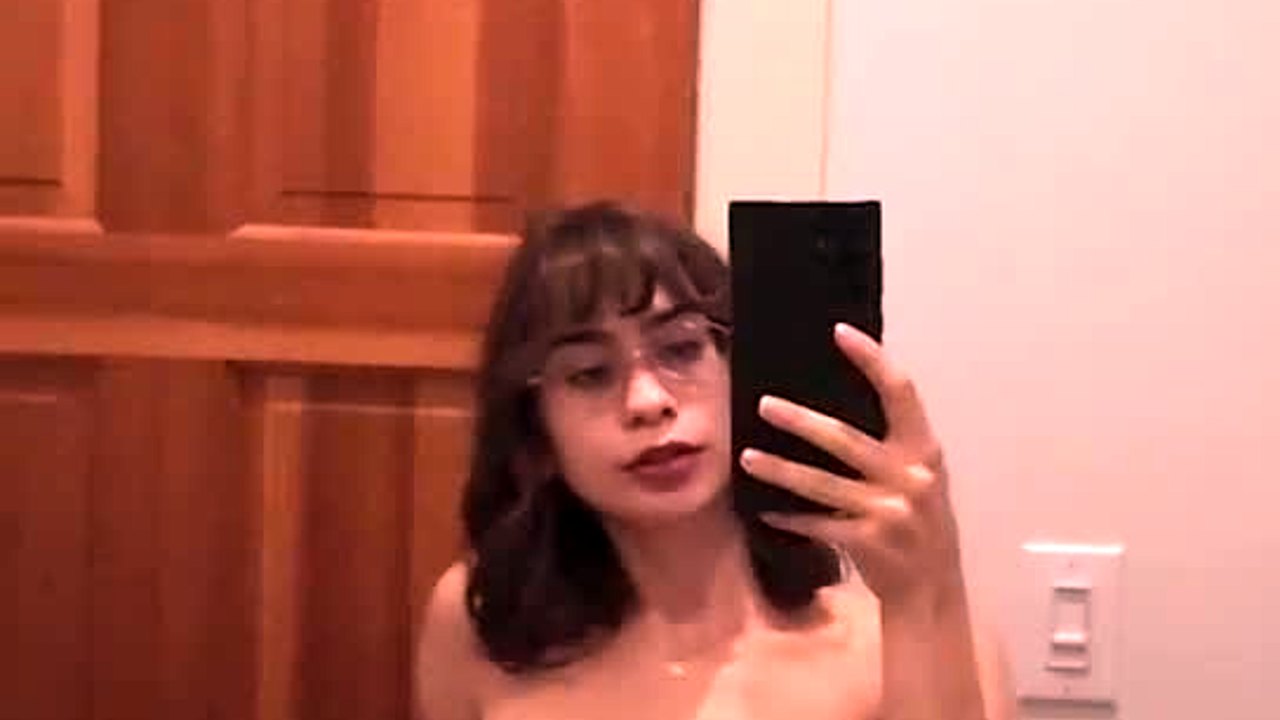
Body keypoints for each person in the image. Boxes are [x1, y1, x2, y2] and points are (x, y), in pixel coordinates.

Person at [415, 201, 1015, 720]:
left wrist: (927, 589)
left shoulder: (888, 646)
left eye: (680, 348)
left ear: (744, 366)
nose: (647, 401)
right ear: (536, 430)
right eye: (591, 373)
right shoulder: (479, 627)